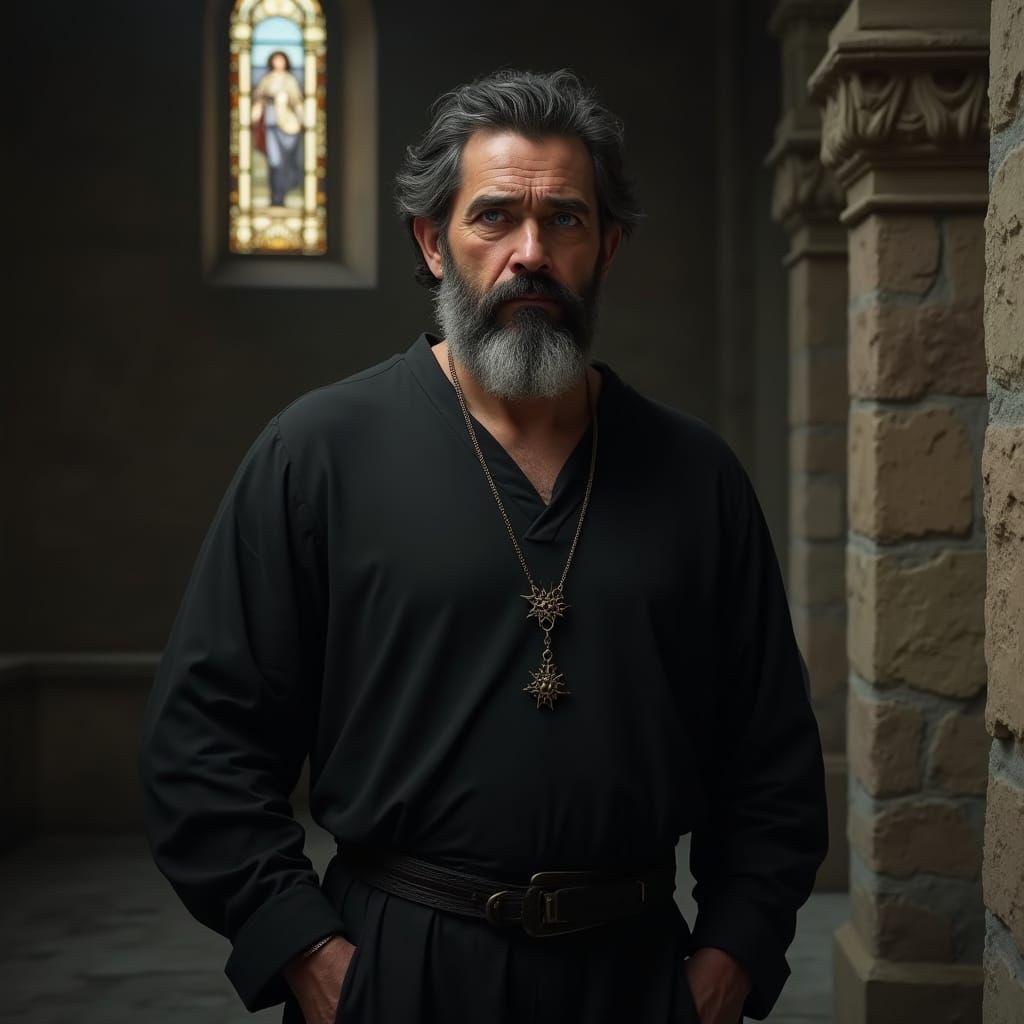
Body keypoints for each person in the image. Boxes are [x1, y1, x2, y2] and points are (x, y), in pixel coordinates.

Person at [138, 68, 828, 1024]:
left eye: (567, 223)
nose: (530, 254)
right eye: (494, 217)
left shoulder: (697, 476)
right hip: (398, 970)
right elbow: (201, 743)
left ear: (608, 248)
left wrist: (731, 957)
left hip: (637, 976)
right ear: (433, 243)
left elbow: (772, 762)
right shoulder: (318, 452)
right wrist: (309, 953)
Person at [251, 50, 304, 207]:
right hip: (270, 123)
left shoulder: (290, 80)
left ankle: (283, 193)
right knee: (275, 162)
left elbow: (297, 100)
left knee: (287, 161)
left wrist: (302, 117)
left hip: (288, 125)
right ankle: (276, 197)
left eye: (281, 60)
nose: (278, 63)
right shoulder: (266, 80)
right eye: (276, 60)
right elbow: (258, 98)